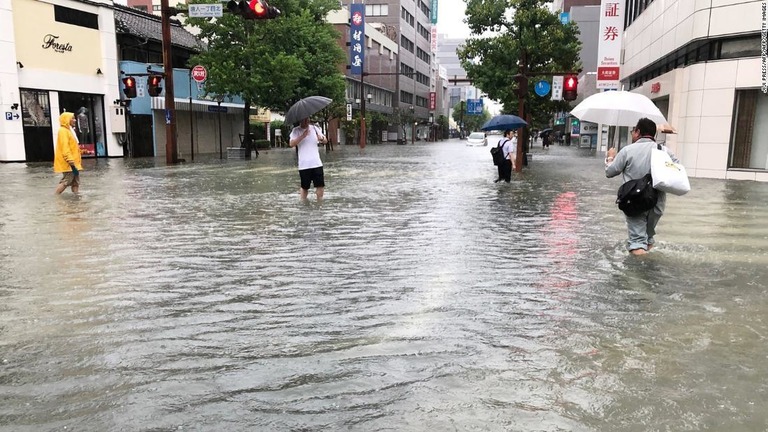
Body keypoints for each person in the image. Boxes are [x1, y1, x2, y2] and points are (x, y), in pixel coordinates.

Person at [605, 117, 679, 255]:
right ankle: (649, 264)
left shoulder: (627, 151)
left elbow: (610, 172)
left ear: (638, 131)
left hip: (634, 200)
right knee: (648, 238)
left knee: (637, 241)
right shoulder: (665, 151)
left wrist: (610, 158)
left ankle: (641, 273)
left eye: (633, 131)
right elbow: (676, 171)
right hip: (657, 201)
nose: (632, 133)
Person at [289, 117, 327, 200]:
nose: (306, 121)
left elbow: (325, 141)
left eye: (307, 119)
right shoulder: (296, 131)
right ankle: (303, 204)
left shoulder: (315, 128)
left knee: (320, 185)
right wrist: (303, 136)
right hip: (304, 164)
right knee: (305, 187)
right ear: (300, 120)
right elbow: (291, 144)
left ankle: (319, 203)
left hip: (316, 163)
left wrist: (322, 139)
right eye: (304, 119)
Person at [54, 112, 83, 194]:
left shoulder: (69, 130)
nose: (75, 120)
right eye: (72, 118)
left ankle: (76, 199)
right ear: (67, 120)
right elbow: (65, 147)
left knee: (75, 182)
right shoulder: (63, 131)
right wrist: (70, 161)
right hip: (70, 163)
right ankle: (56, 198)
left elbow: (73, 146)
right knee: (66, 181)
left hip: (75, 162)